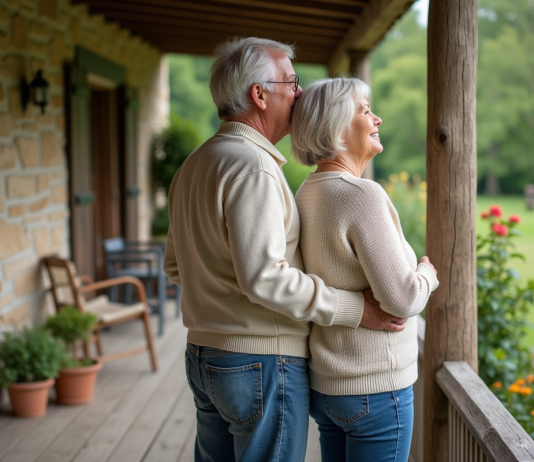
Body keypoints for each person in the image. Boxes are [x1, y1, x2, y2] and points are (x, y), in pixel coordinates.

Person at [164, 38, 407, 462]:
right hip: (259, 361)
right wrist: (356, 309)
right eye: (291, 83)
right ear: (259, 94)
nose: (299, 93)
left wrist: (218, 300)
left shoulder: (195, 163)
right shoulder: (252, 166)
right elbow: (265, 278)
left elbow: (175, 265)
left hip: (203, 356)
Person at [291, 77, 439, 462]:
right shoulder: (361, 195)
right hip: (376, 390)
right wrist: (427, 272)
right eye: (365, 110)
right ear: (337, 128)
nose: (378, 119)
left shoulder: (307, 192)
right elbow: (404, 299)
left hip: (327, 388)